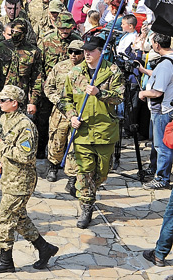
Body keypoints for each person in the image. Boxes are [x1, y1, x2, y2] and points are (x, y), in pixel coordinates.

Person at [0, 85, 59, 272]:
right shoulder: (5, 118)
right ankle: (45, 248)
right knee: (18, 218)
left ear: (14, 103)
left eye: (3, 100)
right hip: (9, 176)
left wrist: (1, 147)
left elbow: (26, 156)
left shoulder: (26, 126)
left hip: (21, 180)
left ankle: (6, 262)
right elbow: (6, 145)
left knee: (2, 219)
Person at [59, 35, 123, 228]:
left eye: (91, 50)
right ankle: (86, 205)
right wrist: (71, 116)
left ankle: (89, 190)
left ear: (101, 52)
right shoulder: (75, 73)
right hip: (83, 132)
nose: (87, 53)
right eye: (85, 50)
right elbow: (65, 99)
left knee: (102, 172)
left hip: (105, 131)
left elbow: (119, 97)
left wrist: (99, 93)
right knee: (85, 170)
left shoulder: (112, 71)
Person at [44, 39, 84, 183]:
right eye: (71, 52)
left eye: (77, 52)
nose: (73, 55)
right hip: (60, 112)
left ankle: (72, 176)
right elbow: (48, 87)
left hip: (78, 112)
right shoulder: (59, 67)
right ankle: (53, 166)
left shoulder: (87, 69)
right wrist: (58, 101)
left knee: (74, 144)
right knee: (57, 140)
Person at [138, 33, 173, 190]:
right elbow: (161, 77)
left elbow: (158, 91)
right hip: (162, 109)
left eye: (151, 42)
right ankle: (155, 169)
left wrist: (143, 93)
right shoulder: (168, 62)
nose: (151, 45)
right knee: (157, 144)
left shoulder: (166, 64)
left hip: (162, 110)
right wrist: (144, 71)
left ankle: (162, 178)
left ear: (158, 45)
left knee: (162, 146)